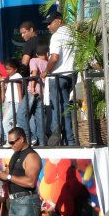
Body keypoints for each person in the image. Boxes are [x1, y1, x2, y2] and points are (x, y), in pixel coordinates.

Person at [42, 10, 76, 145]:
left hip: (58, 76)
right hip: (72, 75)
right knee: (66, 108)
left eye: (50, 23)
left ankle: (59, 141)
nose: (48, 26)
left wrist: (46, 71)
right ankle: (70, 140)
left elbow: (54, 57)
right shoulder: (74, 33)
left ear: (59, 21)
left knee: (58, 110)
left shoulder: (57, 36)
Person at [17, 43, 49, 146]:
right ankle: (42, 143)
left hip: (33, 91)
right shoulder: (48, 63)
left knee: (21, 116)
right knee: (39, 119)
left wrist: (32, 87)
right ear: (47, 53)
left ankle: (31, 137)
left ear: (36, 53)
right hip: (42, 93)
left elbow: (34, 73)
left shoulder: (33, 60)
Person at [0, 59, 22, 146]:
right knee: (8, 120)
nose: (7, 71)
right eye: (6, 69)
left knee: (6, 121)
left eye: (9, 69)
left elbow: (19, 89)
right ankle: (8, 139)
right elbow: (3, 95)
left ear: (15, 69)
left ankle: (10, 141)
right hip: (9, 102)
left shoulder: (17, 76)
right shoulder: (11, 78)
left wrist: (20, 102)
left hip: (15, 102)